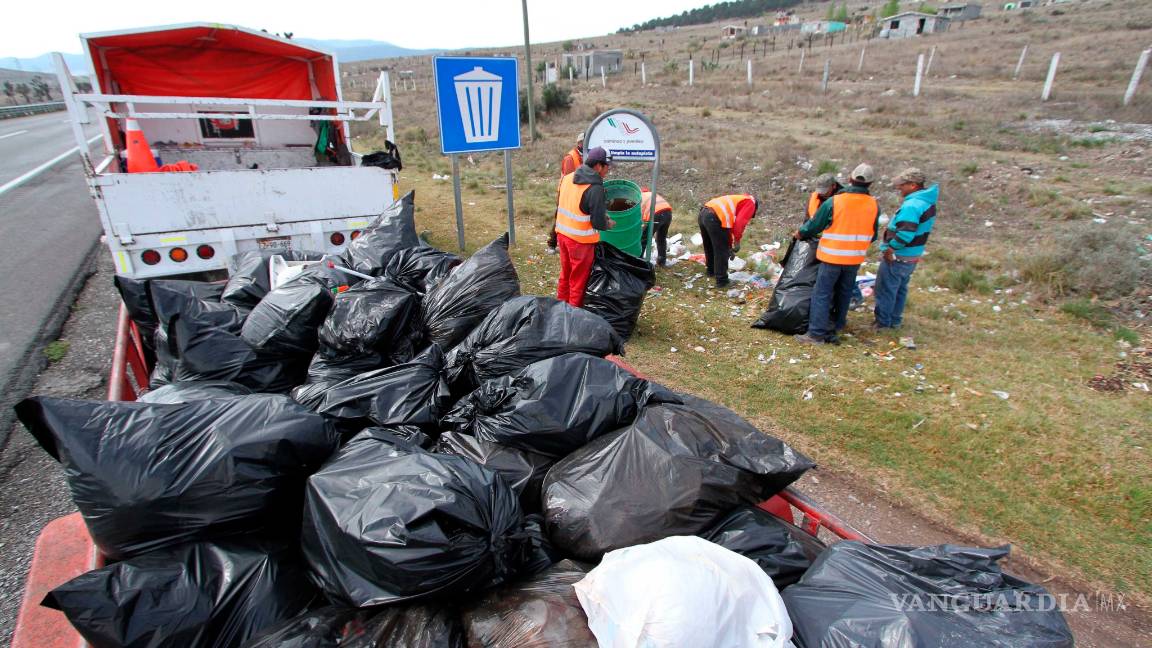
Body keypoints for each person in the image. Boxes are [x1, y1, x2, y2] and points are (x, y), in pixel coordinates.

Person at [793, 163, 880, 344]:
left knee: (822, 293)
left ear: (850, 179)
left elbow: (815, 224)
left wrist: (800, 233)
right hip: (854, 258)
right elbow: (873, 235)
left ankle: (816, 334)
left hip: (832, 257)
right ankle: (838, 324)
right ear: (870, 183)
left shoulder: (836, 201)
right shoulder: (874, 205)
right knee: (845, 291)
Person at [874, 168, 939, 330]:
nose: (899, 188)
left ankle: (883, 323)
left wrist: (890, 249)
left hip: (899, 255)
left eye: (902, 185)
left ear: (913, 185)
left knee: (886, 289)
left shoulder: (912, 205)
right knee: (900, 289)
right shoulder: (927, 202)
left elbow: (905, 234)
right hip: (912, 255)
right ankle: (895, 320)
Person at [555, 147, 614, 307]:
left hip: (563, 235)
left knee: (565, 275)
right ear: (598, 166)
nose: (608, 170)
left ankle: (559, 310)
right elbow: (598, 223)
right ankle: (573, 317)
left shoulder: (567, 178)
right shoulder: (594, 187)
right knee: (578, 280)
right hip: (580, 242)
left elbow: (561, 205)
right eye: (607, 166)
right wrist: (607, 223)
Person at [698, 193, 758, 288]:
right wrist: (737, 241)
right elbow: (739, 223)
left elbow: (726, 229)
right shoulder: (751, 203)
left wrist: (729, 246)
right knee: (721, 250)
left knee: (709, 245)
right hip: (714, 217)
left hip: (703, 214)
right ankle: (722, 281)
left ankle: (711, 271)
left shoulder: (738, 200)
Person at [546, 132, 585, 254]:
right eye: (585, 141)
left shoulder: (584, 155)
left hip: (576, 193)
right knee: (560, 218)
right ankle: (552, 244)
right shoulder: (570, 158)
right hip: (566, 193)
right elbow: (569, 179)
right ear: (580, 143)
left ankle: (565, 243)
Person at [640, 187, 673, 266]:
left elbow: (640, 218)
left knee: (644, 239)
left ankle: (639, 260)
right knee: (661, 238)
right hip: (668, 213)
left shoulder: (640, 197)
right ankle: (662, 261)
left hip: (655, 214)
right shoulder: (653, 194)